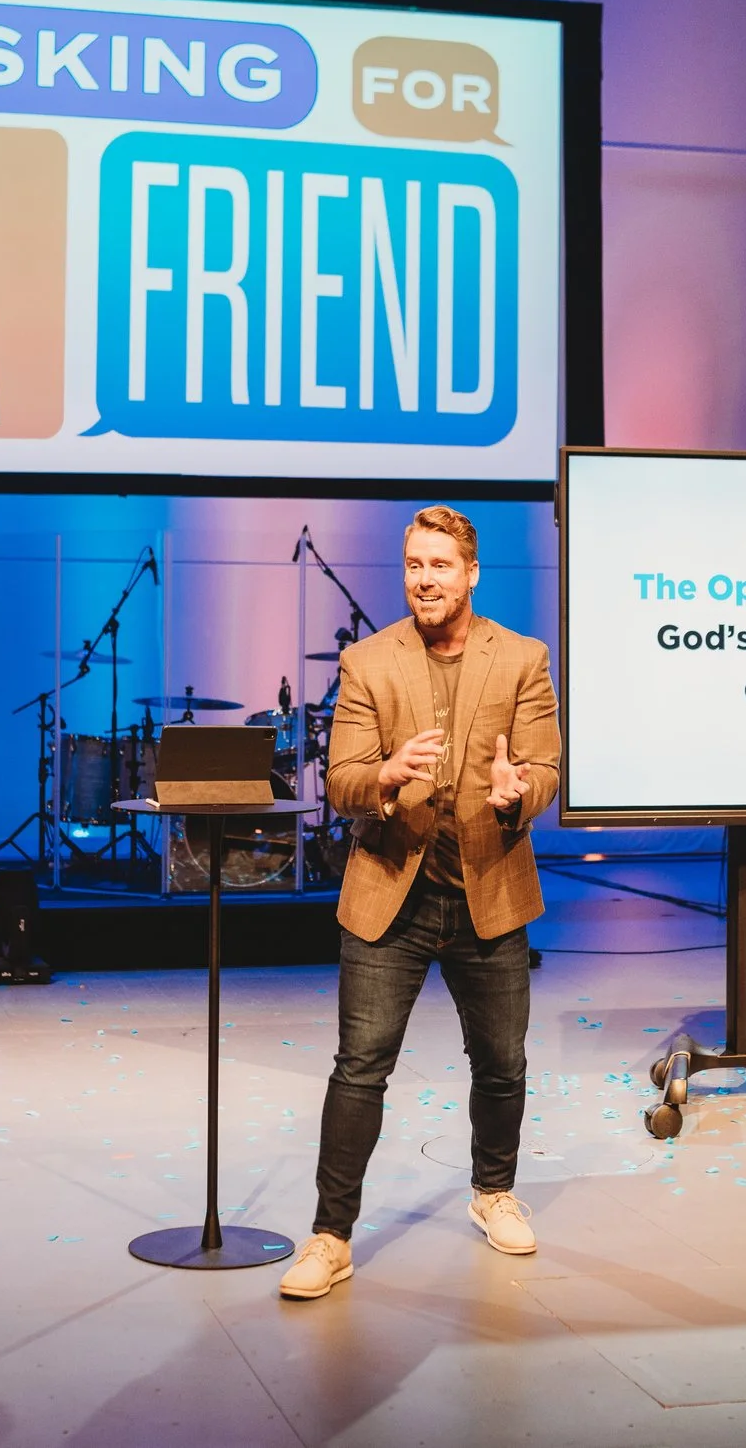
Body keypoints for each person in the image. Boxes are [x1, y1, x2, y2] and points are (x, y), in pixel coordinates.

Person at [277, 505, 561, 1300]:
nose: (425, 579)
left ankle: (493, 1192)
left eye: (440, 565)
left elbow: (543, 768)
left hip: (489, 891)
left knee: (502, 1064)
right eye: (413, 565)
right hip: (389, 895)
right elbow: (342, 780)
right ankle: (331, 1238)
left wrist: (516, 794)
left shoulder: (523, 658)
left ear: (471, 573)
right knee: (360, 1069)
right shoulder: (369, 661)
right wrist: (386, 775)